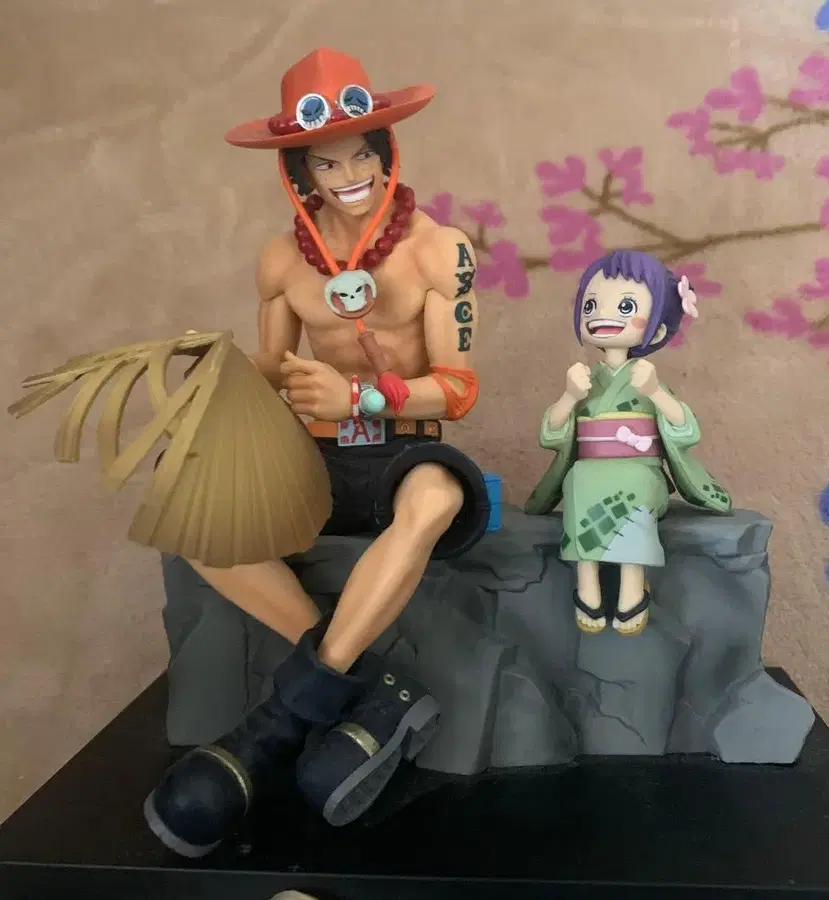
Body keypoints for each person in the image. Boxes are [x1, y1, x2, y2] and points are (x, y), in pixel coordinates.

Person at [144, 48, 490, 857]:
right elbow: (272, 371)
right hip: (315, 457)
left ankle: (280, 718)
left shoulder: (440, 251)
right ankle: (367, 690)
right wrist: (218, 369)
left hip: (402, 447)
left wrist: (363, 398)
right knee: (191, 508)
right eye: (327, 163)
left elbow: (459, 387)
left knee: (437, 498)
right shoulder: (280, 261)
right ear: (300, 173)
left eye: (361, 154)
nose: (350, 175)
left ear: (385, 151)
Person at [524, 250, 731, 635]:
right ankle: (587, 585)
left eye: (625, 306)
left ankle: (632, 587)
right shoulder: (586, 380)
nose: (602, 315)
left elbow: (686, 429)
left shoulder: (647, 378)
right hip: (591, 468)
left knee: (632, 485)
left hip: (640, 470)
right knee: (578, 480)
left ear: (657, 331)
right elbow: (550, 434)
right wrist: (569, 396)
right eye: (591, 305)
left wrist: (656, 393)